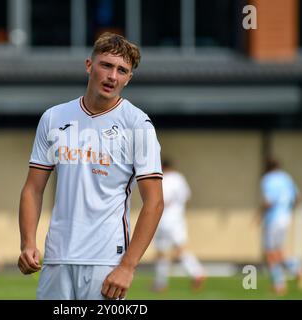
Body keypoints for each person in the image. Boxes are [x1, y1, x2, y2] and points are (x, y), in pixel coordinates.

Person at [18, 32, 164, 300]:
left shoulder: (138, 125)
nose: (112, 76)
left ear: (128, 78)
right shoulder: (53, 118)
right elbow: (32, 189)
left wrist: (128, 267)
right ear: (89, 65)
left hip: (107, 260)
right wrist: (27, 242)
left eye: (122, 70)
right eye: (106, 65)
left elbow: (154, 203)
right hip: (57, 257)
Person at [153, 159, 205, 293]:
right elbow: (186, 196)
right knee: (180, 250)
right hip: (178, 220)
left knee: (161, 253)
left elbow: (161, 200)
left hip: (163, 220)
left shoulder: (162, 179)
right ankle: (197, 272)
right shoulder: (179, 178)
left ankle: (160, 283)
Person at [259, 158, 302, 295]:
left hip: (273, 219)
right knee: (278, 252)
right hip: (285, 219)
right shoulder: (287, 178)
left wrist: (258, 215)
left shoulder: (268, 179)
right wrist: (287, 210)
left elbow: (268, 202)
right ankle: (293, 273)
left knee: (271, 254)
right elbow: (298, 199)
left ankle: (286, 279)